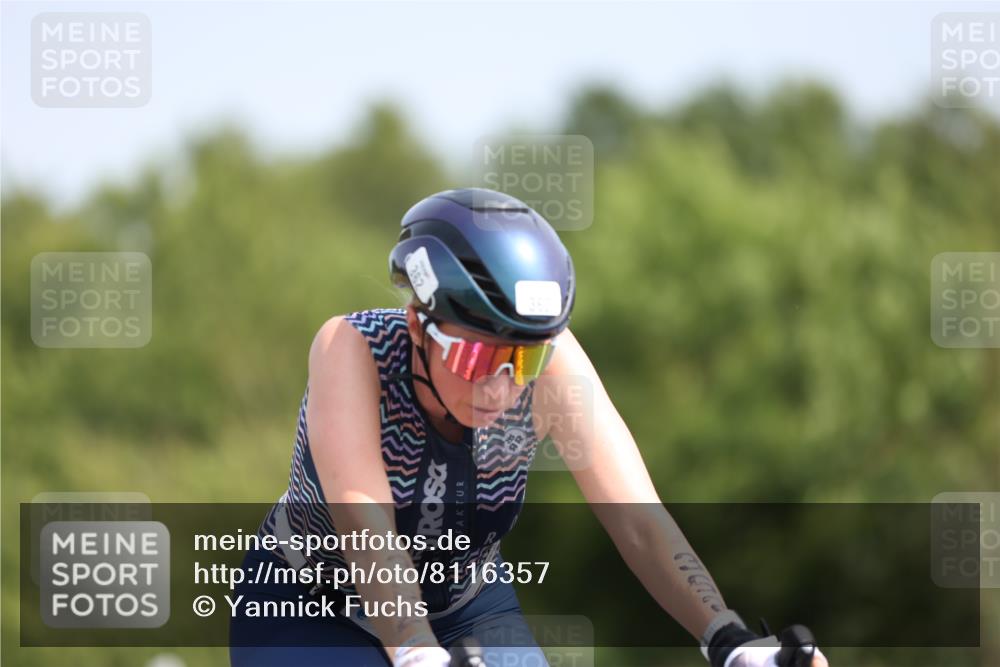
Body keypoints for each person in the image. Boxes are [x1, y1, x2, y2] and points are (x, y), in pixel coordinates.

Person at [229, 188, 829, 667]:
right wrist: (414, 650)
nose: (500, 388)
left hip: (466, 602)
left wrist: (728, 639)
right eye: (475, 359)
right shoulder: (350, 348)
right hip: (310, 604)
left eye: (524, 361)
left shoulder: (554, 359)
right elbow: (365, 523)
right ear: (417, 324)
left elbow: (637, 517)